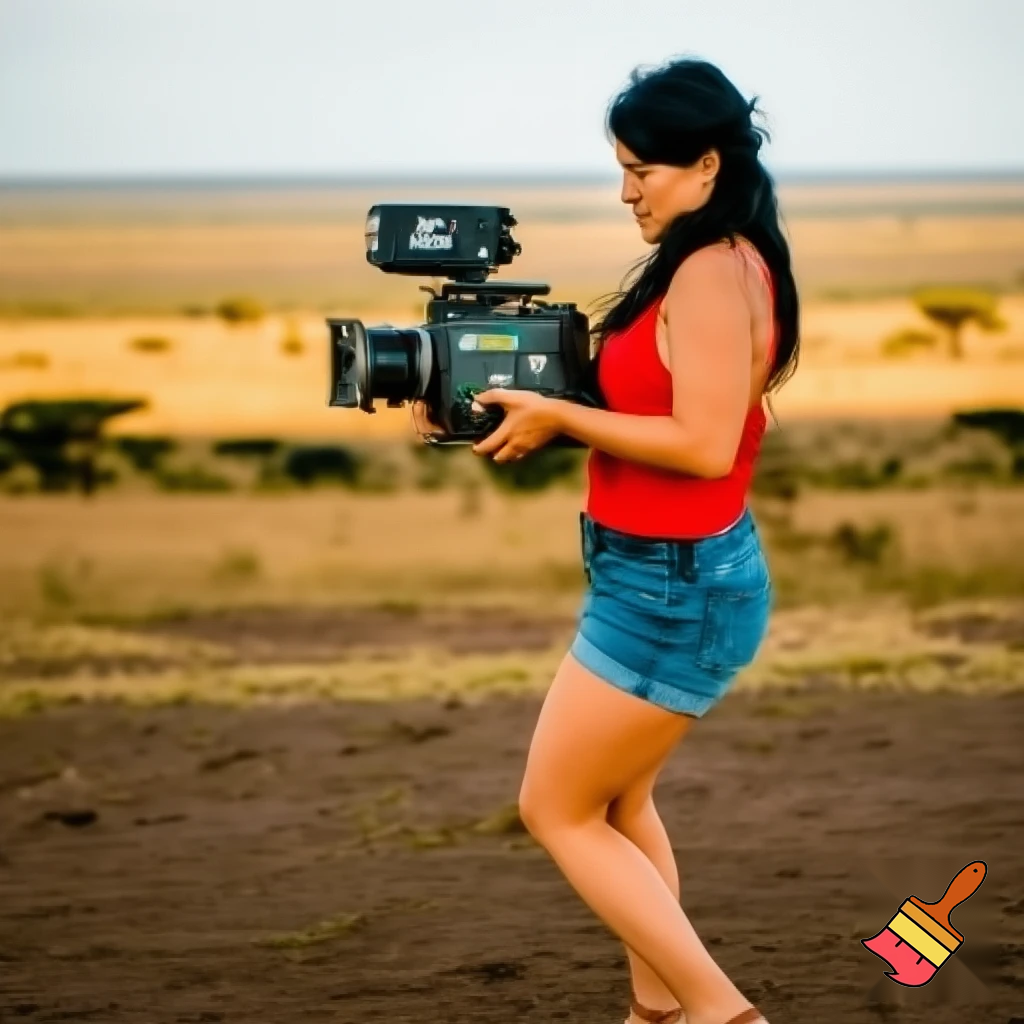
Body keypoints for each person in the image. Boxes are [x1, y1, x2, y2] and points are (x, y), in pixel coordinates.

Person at [470, 56, 799, 1024]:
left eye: (642, 172)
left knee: (555, 809)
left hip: (672, 583)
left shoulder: (706, 270)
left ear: (702, 165)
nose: (626, 193)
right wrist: (510, 407)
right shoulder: (731, 260)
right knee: (614, 805)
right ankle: (656, 1011)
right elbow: (723, 419)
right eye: (619, 170)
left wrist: (565, 420)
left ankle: (719, 1013)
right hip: (664, 572)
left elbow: (703, 445)